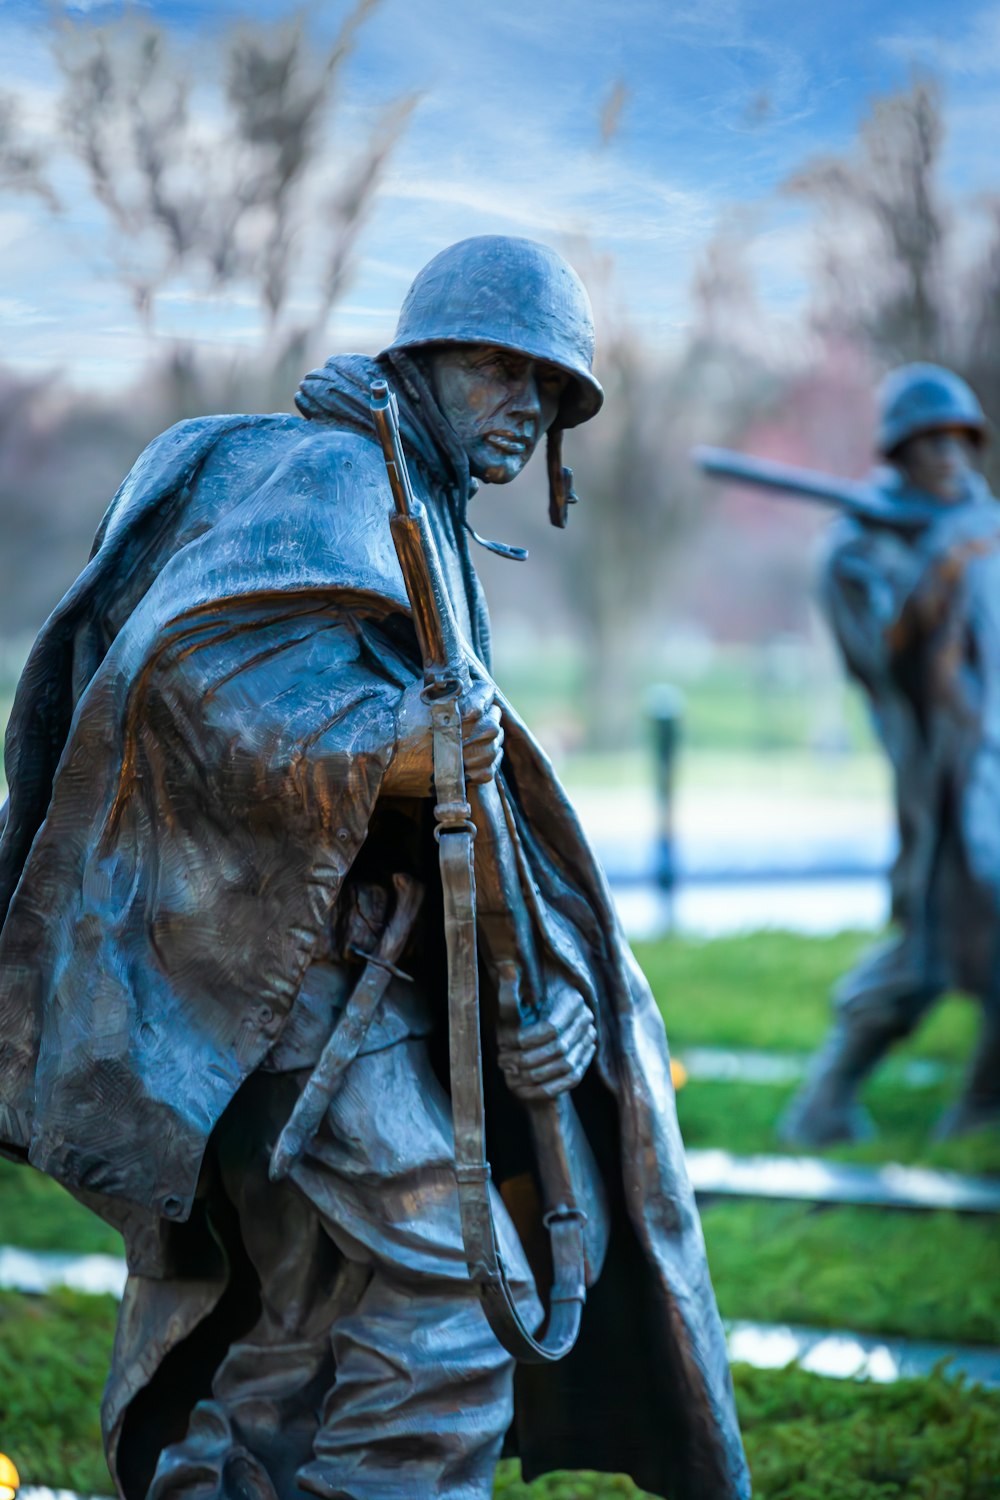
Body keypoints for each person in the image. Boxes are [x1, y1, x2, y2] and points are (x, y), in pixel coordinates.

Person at [0, 236, 748, 1500]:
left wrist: (539, 987)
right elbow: (189, 686)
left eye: (550, 390)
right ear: (423, 360)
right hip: (285, 1001)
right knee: (455, 1297)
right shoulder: (338, 475)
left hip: (334, 994)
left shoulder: (422, 498)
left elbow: (471, 812)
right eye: (498, 371)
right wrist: (391, 749)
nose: (525, 407)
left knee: (300, 1326)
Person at [780, 362, 1000, 1147]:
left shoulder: (980, 527)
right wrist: (939, 571)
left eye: (959, 440)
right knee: (928, 953)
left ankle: (981, 1105)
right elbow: (884, 661)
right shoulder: (856, 551)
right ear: (898, 451)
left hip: (992, 770)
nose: (949, 457)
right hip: (936, 776)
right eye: (929, 442)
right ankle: (825, 1102)